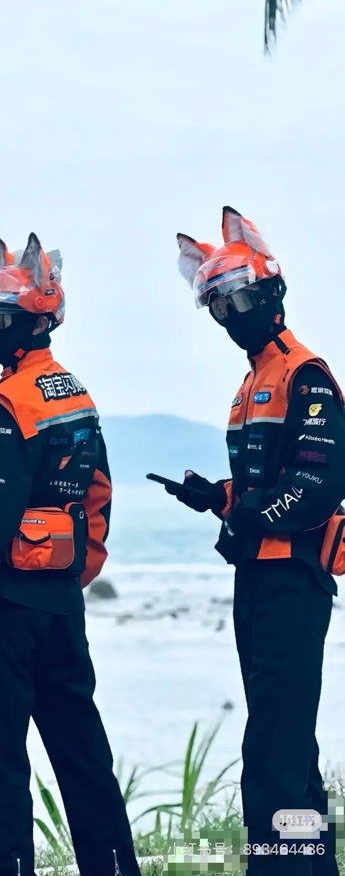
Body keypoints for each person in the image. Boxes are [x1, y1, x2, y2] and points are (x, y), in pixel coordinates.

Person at [0, 234, 140, 876]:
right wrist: (78, 571)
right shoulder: (76, 394)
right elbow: (99, 493)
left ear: (36, 322)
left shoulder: (6, 403)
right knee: (82, 750)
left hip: (5, 602)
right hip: (60, 601)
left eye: (0, 320)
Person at [164, 206, 345, 874]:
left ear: (272, 293)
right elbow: (261, 486)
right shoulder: (250, 383)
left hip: (293, 582)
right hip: (258, 582)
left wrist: (251, 515)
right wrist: (215, 496)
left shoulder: (304, 374)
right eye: (217, 305)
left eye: (238, 298)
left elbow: (316, 484)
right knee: (289, 748)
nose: (229, 313)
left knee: (271, 754)